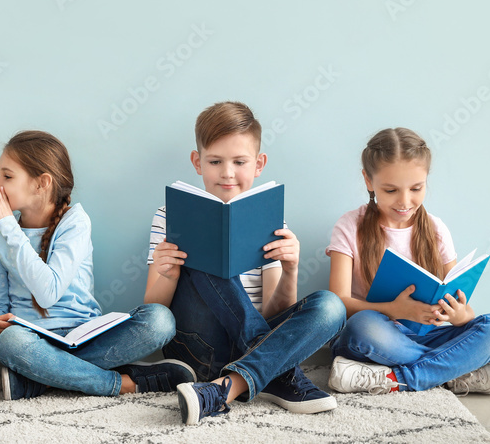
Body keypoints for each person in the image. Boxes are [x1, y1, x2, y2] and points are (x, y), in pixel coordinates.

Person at [145, 101, 345, 424]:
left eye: (239, 161)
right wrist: (168, 272)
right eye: (215, 161)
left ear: (258, 164)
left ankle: (225, 388)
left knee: (332, 307)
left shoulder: (269, 220)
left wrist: (291, 269)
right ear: (197, 162)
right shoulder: (170, 216)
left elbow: (271, 313)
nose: (227, 173)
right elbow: (152, 309)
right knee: (204, 242)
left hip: (247, 350)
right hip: (198, 348)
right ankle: (278, 373)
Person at [0, 130, 195, 400]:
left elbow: (48, 292)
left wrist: (10, 228)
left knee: (161, 320)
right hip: (32, 341)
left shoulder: (75, 222)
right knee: (10, 342)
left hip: (84, 335)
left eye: (7, 176)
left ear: (41, 183)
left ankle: (42, 380)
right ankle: (122, 383)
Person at [326, 127, 490, 394]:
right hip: (378, 336)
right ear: (368, 181)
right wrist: (394, 310)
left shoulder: (436, 230)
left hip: (427, 336)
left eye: (416, 188)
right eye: (390, 190)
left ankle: (394, 378)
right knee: (362, 326)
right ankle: (455, 371)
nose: (405, 201)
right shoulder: (349, 226)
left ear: (426, 180)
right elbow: (338, 303)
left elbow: (463, 307)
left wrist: (459, 315)